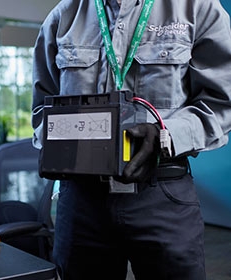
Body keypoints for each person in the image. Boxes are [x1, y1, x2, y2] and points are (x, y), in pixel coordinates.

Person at [31, 0, 231, 279]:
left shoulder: (197, 8)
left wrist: (165, 135)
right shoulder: (63, 16)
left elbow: (222, 102)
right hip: (81, 201)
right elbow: (41, 110)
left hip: (160, 191)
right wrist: (57, 143)